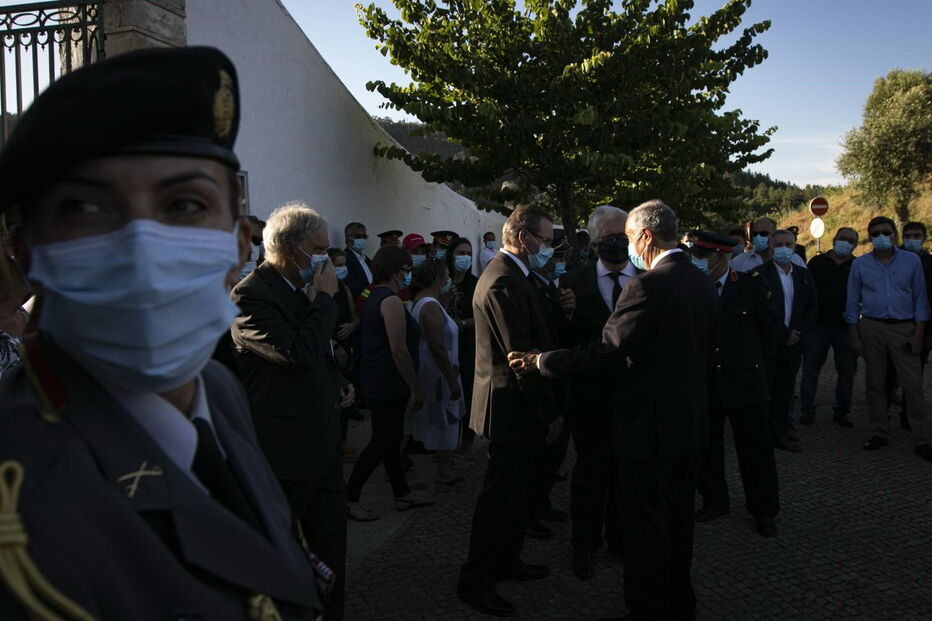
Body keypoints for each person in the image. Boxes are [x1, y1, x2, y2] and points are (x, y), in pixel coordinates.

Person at [0, 47, 326, 619]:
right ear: (26, 252)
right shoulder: (23, 520)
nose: (141, 246)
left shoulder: (216, 392)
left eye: (183, 202)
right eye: (84, 206)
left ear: (240, 244)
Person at [510, 200, 718, 621]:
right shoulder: (701, 281)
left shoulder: (648, 285)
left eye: (626, 238)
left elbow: (607, 350)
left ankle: (648, 609)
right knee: (679, 525)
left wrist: (541, 362)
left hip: (649, 429)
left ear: (643, 236)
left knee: (645, 530)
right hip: (689, 424)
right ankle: (680, 603)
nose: (625, 247)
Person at [230, 202, 351, 619]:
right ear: (285, 249)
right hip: (284, 458)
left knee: (331, 555)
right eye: (318, 250)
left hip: (323, 448)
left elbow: (318, 354)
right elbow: (297, 352)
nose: (325, 260)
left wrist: (338, 381)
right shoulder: (249, 296)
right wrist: (327, 302)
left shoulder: (306, 292)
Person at [457, 204, 564, 618]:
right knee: (499, 501)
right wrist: (549, 413)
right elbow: (521, 357)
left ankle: (507, 561)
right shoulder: (502, 281)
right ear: (524, 238)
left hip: (519, 410)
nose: (549, 248)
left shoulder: (518, 277)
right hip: (511, 409)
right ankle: (476, 580)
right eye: (546, 240)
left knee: (517, 497)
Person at [690, 231, 781, 537]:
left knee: (755, 449)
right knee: (708, 447)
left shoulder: (751, 287)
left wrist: (754, 370)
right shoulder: (691, 289)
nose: (696, 261)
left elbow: (771, 334)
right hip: (706, 381)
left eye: (701, 256)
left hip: (744, 380)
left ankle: (764, 509)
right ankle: (715, 501)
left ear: (719, 257)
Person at [558, 204, 631, 580]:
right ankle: (584, 544)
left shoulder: (648, 278)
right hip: (589, 398)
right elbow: (564, 342)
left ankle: (620, 538)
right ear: (593, 243)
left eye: (624, 237)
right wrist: (567, 318)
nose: (617, 244)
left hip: (634, 398)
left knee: (625, 473)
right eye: (609, 239)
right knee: (590, 474)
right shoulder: (573, 281)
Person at [345, 246, 435, 520]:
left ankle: (402, 493)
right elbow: (398, 349)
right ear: (398, 272)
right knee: (382, 442)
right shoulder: (391, 301)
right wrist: (415, 386)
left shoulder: (374, 295)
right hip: (388, 382)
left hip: (377, 378)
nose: (410, 276)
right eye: (407, 271)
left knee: (390, 439)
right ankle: (350, 497)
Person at [846, 217, 932, 461]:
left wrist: (919, 334)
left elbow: (920, 300)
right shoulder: (861, 265)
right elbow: (852, 302)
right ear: (870, 237)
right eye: (875, 233)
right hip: (871, 327)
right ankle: (878, 431)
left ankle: (922, 439)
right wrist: (854, 334)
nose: (881, 236)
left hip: (904, 327)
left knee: (913, 386)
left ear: (894, 235)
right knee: (875, 383)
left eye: (885, 232)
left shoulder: (911, 261)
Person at [406, 258, 467, 487]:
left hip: (433, 372)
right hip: (440, 373)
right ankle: (444, 469)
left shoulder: (424, 302)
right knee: (446, 418)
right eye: (446, 275)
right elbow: (437, 346)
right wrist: (452, 381)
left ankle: (443, 464)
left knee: (437, 418)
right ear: (436, 278)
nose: (448, 279)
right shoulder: (429, 305)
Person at [758, 229, 818, 453]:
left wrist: (796, 332)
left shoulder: (803, 275)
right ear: (771, 247)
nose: (784, 248)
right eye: (779, 244)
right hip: (769, 343)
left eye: (788, 244)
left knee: (785, 390)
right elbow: (762, 312)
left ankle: (781, 431)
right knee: (765, 390)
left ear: (794, 247)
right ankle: (763, 433)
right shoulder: (759, 274)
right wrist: (783, 333)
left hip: (794, 344)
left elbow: (812, 307)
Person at [800, 227, 859, 427]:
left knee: (847, 372)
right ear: (834, 239)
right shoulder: (817, 262)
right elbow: (806, 291)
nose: (845, 242)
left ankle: (842, 412)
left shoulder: (857, 265)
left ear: (855, 245)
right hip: (818, 326)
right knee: (810, 370)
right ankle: (807, 409)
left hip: (846, 328)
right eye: (842, 238)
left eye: (851, 240)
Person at [885, 221, 932, 430]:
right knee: (887, 373)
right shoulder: (891, 257)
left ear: (924, 238)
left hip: (920, 326)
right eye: (909, 235)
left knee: (914, 378)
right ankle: (882, 415)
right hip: (892, 323)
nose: (913, 239)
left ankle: (908, 415)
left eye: (917, 235)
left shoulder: (929, 262)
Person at [444, 237, 479, 462]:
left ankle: (466, 440)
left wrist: (463, 324)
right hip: (443, 345)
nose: (464, 257)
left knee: (466, 390)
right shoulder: (443, 280)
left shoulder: (475, 283)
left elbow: (482, 315)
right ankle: (443, 443)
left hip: (466, 345)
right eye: (460, 253)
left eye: (468, 253)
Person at [732, 217, 806, 272]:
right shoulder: (739, 262)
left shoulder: (795, 260)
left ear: (775, 234)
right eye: (755, 234)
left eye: (763, 234)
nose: (758, 237)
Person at [343, 221, 372, 299]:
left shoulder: (368, 261)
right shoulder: (344, 260)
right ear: (348, 238)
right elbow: (354, 289)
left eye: (364, 236)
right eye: (358, 236)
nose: (362, 239)